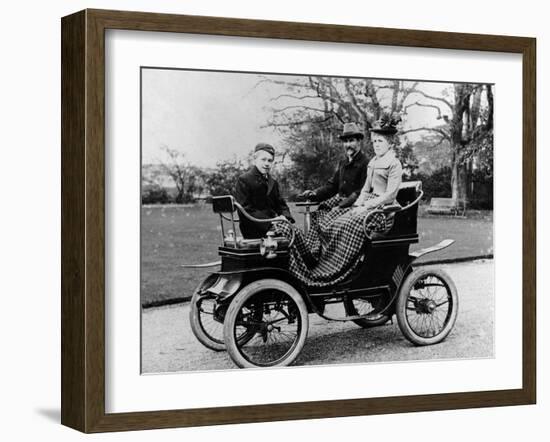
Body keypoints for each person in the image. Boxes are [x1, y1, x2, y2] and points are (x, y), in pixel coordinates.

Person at [282, 115, 403, 287]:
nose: (376, 144)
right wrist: (357, 206)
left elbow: (390, 195)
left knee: (344, 225)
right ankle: (321, 260)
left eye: (380, 141)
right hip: (365, 205)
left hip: (383, 210)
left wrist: (363, 205)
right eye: (375, 141)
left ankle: (336, 268)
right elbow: (364, 190)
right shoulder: (373, 163)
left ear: (390, 143)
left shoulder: (393, 163)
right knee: (332, 221)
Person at [300, 122, 369, 209]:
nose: (348, 145)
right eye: (345, 141)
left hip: (355, 205)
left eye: (351, 141)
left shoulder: (366, 163)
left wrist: (342, 205)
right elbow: (332, 186)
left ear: (359, 141)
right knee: (319, 212)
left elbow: (362, 191)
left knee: (330, 219)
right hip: (341, 202)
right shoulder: (343, 163)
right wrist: (315, 193)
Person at [233, 143, 295, 239]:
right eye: (263, 160)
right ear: (255, 160)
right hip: (253, 227)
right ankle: (294, 254)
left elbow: (281, 204)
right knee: (286, 231)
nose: (267, 163)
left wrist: (285, 217)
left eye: (270, 161)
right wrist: (271, 221)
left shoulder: (273, 182)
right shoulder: (245, 179)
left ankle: (303, 254)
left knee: (295, 231)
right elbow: (245, 209)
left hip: (273, 225)